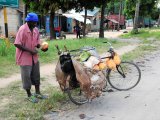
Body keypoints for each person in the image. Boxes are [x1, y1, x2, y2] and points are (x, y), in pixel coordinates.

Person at [14, 12, 47, 103]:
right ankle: (29, 95)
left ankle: (37, 92)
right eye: (33, 22)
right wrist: (30, 50)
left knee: (36, 75)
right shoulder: (22, 29)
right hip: (24, 58)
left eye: (36, 22)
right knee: (26, 77)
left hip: (34, 57)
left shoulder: (35, 30)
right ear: (28, 21)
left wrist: (42, 47)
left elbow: (37, 43)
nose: (35, 24)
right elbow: (17, 43)